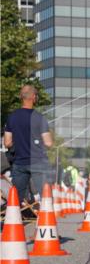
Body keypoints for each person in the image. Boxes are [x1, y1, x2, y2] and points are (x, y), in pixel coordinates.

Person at [3, 84, 53, 214]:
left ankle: (10, 226)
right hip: (38, 162)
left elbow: (7, 142)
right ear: (34, 97)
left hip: (19, 162)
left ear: (21, 97)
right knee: (45, 195)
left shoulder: (12, 117)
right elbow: (48, 143)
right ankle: (46, 228)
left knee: (16, 197)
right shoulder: (39, 118)